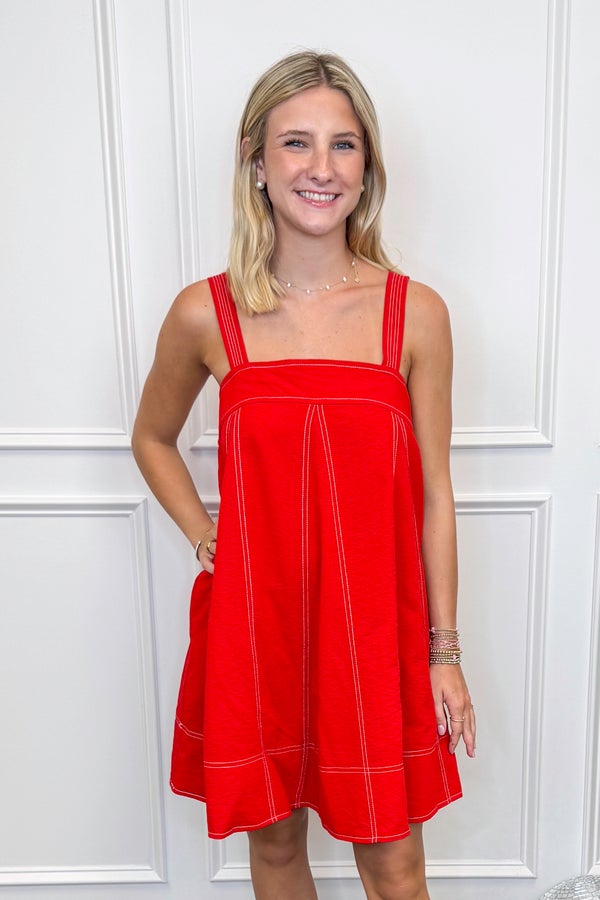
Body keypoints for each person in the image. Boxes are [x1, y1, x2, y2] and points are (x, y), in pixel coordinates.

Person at [132, 49, 475, 900]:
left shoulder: (415, 315)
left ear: (368, 168)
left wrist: (445, 651)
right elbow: (150, 438)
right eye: (296, 143)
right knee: (277, 850)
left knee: (393, 862)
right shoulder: (204, 313)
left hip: (378, 635)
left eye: (344, 145)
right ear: (256, 160)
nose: (321, 168)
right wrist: (210, 539)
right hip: (261, 631)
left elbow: (436, 493)